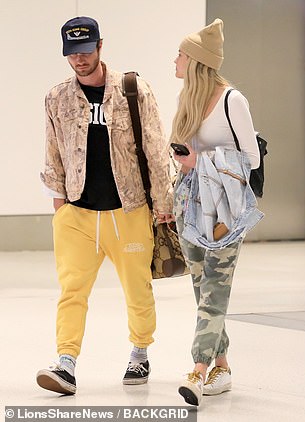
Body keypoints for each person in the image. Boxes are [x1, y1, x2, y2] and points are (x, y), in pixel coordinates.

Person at [37, 16, 173, 395]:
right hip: (77, 213)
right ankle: (66, 362)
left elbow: (156, 148)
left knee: (137, 287)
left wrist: (163, 203)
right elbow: (53, 152)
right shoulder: (56, 97)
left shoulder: (133, 90)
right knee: (72, 289)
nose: (79, 60)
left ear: (100, 46)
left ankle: (140, 351)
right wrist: (60, 206)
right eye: (71, 53)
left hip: (128, 209)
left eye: (84, 51)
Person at [171, 19, 263, 406]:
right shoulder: (188, 98)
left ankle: (198, 370)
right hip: (190, 203)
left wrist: (199, 159)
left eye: (179, 54)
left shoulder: (232, 100)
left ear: (194, 60)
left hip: (225, 207)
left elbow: (252, 158)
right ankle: (222, 364)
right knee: (200, 288)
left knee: (214, 289)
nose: (173, 61)